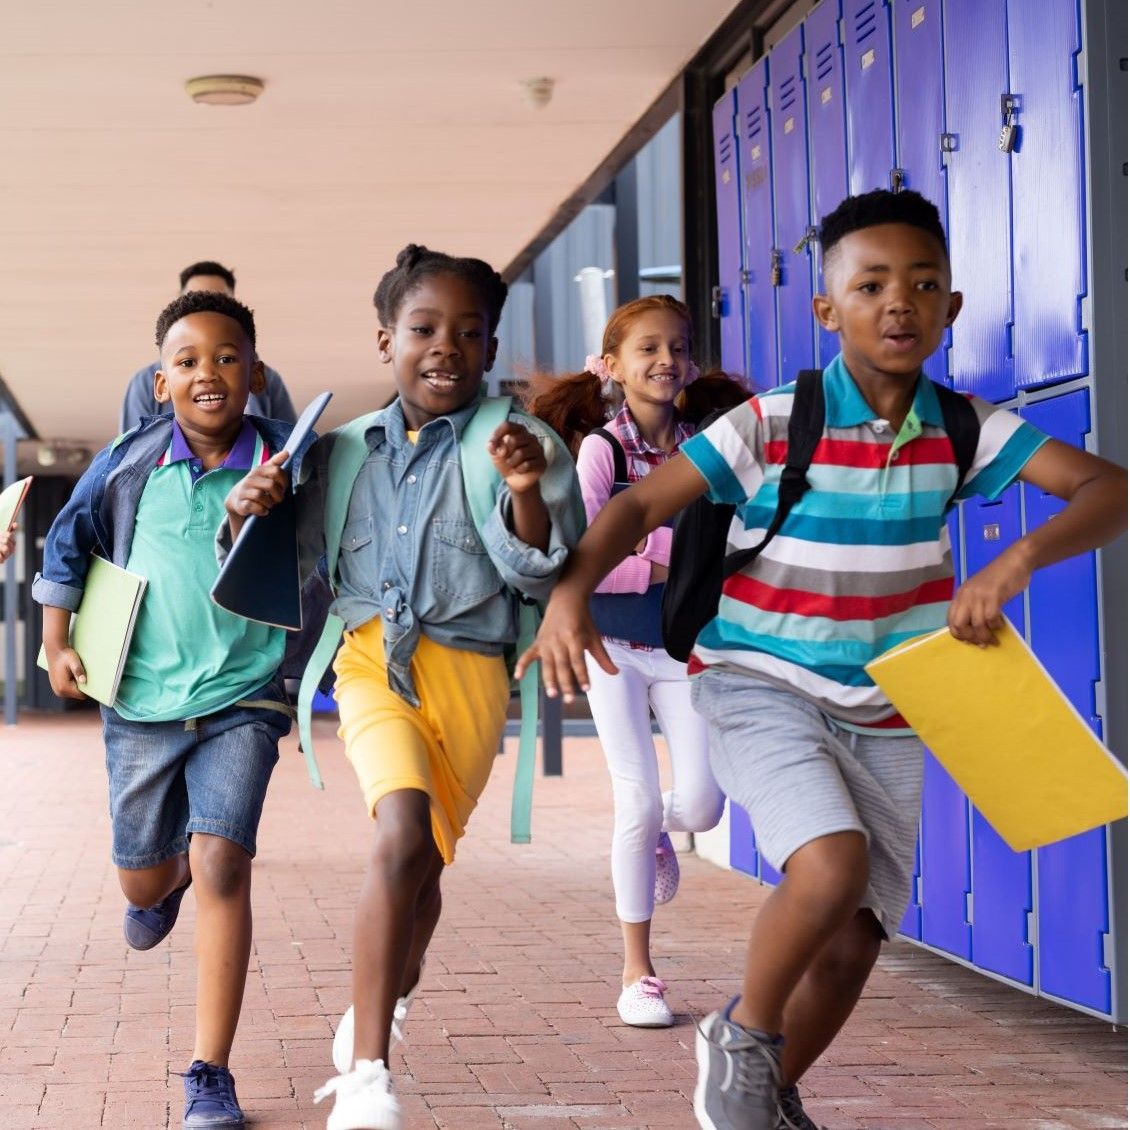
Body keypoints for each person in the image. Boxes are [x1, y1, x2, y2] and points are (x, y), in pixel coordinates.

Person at [515, 189, 1127, 1130]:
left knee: (854, 942)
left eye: (924, 285)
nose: (900, 302)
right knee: (831, 869)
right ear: (826, 309)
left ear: (952, 308)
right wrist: (567, 592)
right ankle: (743, 1037)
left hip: (889, 703)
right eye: (872, 283)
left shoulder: (962, 427)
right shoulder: (774, 420)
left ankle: (769, 1094)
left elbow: (1104, 488)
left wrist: (1015, 560)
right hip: (762, 683)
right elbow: (637, 508)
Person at [224, 244, 584, 1130]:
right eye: (424, 328)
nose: (446, 347)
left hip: (470, 675)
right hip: (369, 661)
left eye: (469, 332)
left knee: (424, 866)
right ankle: (370, 1077)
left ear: (491, 346)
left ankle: (380, 1004)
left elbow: (538, 570)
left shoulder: (521, 441)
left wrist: (524, 490)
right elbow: (284, 557)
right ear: (386, 338)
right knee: (397, 835)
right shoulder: (340, 450)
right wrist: (250, 503)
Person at [33, 290, 307, 1129]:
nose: (209, 374)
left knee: (225, 861)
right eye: (187, 362)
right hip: (142, 704)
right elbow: (67, 543)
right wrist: (55, 642)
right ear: (161, 383)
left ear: (255, 374)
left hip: (243, 696)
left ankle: (209, 1072)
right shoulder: (128, 459)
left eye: (227, 358)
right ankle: (163, 880)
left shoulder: (291, 467)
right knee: (144, 881)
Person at [523, 295, 747, 1028]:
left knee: (706, 805)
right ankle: (639, 973)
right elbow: (584, 563)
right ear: (613, 366)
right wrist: (662, 561)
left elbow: (723, 549)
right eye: (648, 348)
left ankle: (656, 831)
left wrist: (662, 561)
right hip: (612, 648)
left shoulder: (705, 447)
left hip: (684, 649)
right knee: (637, 796)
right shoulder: (603, 451)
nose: (666, 361)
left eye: (679, 348)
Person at [120, 260, 296, 432]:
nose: (206, 374)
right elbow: (131, 451)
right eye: (194, 297)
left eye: (226, 360)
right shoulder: (144, 383)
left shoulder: (268, 379)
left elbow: (293, 446)